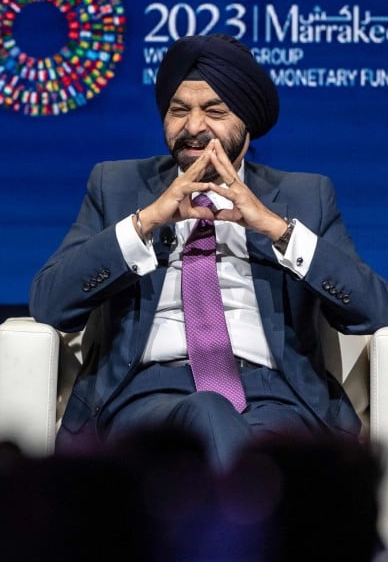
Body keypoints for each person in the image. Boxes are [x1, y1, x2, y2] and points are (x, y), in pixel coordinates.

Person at [29, 33, 388, 469]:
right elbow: (50, 304)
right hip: (145, 395)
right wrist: (147, 221)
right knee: (209, 412)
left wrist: (275, 228)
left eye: (214, 111)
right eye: (179, 110)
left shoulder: (305, 195)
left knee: (215, 426)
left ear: (247, 123)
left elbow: (373, 311)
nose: (194, 126)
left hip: (276, 394)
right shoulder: (117, 185)